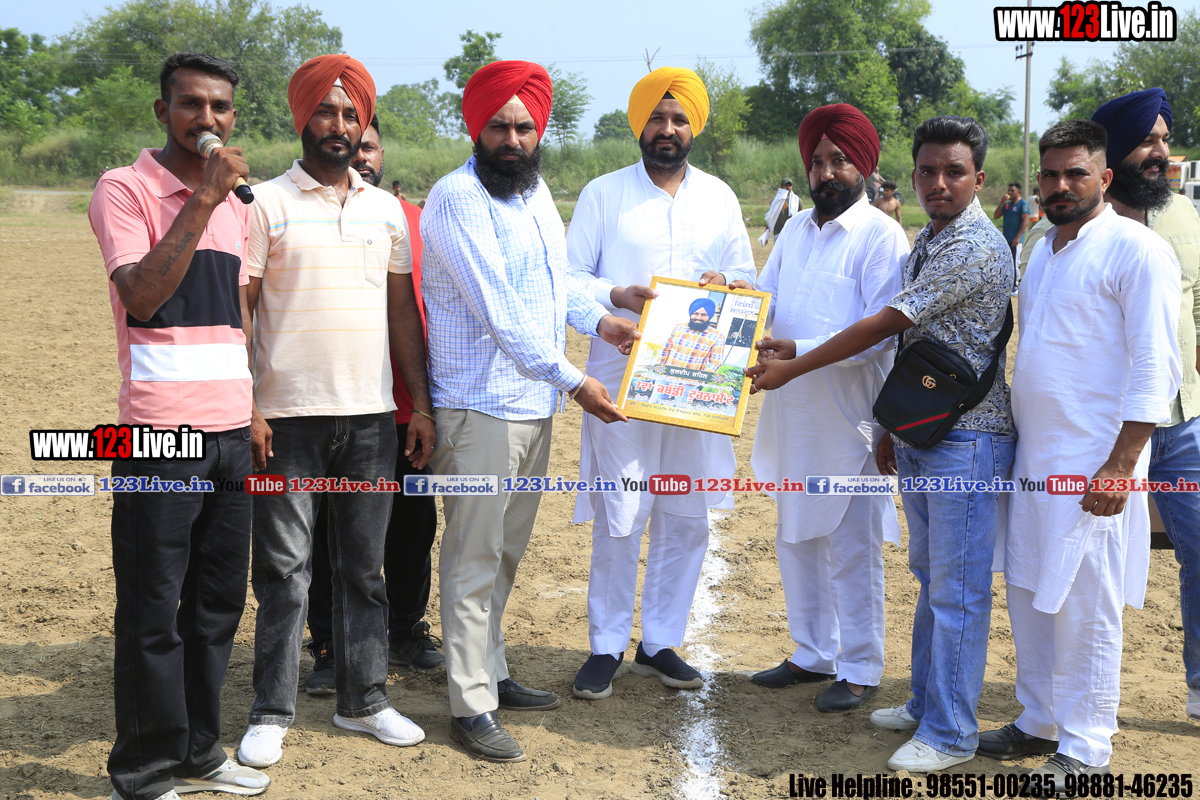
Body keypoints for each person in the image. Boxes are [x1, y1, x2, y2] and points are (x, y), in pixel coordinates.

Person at [746, 115, 1017, 772]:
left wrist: (796, 361)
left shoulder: (959, 244)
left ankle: (947, 731)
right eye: (928, 171)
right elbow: (906, 341)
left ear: (979, 179)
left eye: (954, 172)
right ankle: (922, 703)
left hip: (960, 435)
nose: (938, 183)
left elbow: (883, 326)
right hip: (920, 426)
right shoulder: (929, 238)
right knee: (932, 580)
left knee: (952, 589)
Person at [419, 59, 640, 764]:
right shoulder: (456, 198)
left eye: (524, 127)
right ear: (475, 129)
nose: (512, 139)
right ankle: (470, 703)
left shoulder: (535, 191)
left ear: (538, 131)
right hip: (478, 407)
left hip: (532, 401)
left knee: (505, 553)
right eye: (499, 126)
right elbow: (502, 312)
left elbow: (554, 284)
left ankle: (492, 670)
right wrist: (577, 382)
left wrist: (601, 319)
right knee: (472, 556)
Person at [237, 54, 432, 768]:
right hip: (285, 421)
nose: (340, 125)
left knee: (363, 570)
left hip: (372, 421)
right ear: (303, 116)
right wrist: (248, 405)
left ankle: (365, 700)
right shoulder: (262, 204)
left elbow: (402, 317)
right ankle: (270, 711)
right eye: (327, 110)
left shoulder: (385, 210)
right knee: (285, 572)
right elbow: (241, 309)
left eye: (352, 114)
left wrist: (419, 408)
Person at [88, 52, 270, 800]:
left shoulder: (239, 205)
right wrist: (201, 199)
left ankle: (200, 751)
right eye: (192, 104)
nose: (207, 118)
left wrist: (251, 407)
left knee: (217, 608)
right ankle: (143, 771)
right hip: (158, 435)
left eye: (220, 106)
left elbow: (234, 313)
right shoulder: (123, 188)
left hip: (230, 435)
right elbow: (142, 295)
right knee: (151, 612)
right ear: (163, 112)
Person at [985, 119, 1182, 779]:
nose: (1062, 185)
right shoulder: (1041, 249)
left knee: (1086, 603)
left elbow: (1157, 368)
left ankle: (1086, 746)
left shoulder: (1137, 250)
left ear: (1104, 177)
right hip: (1035, 456)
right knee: (1030, 587)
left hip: (1096, 463)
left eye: (1077, 173)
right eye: (1051, 174)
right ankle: (1038, 720)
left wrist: (1121, 465)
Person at [563, 66, 756, 701]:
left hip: (696, 383)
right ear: (639, 125)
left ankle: (661, 642)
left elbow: (746, 280)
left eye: (678, 119)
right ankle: (606, 645)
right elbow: (568, 279)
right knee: (622, 510)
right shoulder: (603, 195)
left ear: (693, 127)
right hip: (620, 381)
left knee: (685, 513)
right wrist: (616, 296)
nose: (667, 129)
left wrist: (727, 285)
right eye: (657, 118)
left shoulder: (720, 198)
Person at [734, 104, 908, 714]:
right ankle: (812, 652)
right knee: (796, 534)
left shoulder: (881, 236)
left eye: (840, 160)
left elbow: (879, 336)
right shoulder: (796, 231)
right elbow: (768, 301)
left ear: (865, 167)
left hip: (852, 421)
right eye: (817, 161)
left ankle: (858, 667)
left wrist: (799, 352)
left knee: (852, 546)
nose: (827, 172)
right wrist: (734, 295)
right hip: (792, 413)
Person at [303, 115, 443, 699]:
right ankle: (328, 643)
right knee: (328, 533)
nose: (362, 156)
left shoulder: (413, 219)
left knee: (412, 526)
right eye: (354, 145)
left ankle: (406, 628)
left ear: (383, 154)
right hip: (332, 405)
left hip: (404, 407)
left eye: (371, 146)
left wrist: (425, 406)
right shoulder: (304, 212)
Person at [1092, 88, 1200, 724]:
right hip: (1104, 429)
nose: (1161, 151)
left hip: (1183, 421)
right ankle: (1072, 696)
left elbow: (1198, 300)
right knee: (1089, 556)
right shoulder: (1076, 225)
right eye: (1147, 141)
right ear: (1111, 154)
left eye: (1164, 138)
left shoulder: (1184, 213)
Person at [657, 298, 726, 371]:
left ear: (709, 316)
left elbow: (715, 363)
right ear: (691, 314)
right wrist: (660, 370)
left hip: (693, 377)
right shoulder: (678, 327)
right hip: (668, 374)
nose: (698, 317)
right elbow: (665, 350)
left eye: (703, 315)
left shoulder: (717, 336)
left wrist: (701, 377)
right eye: (695, 314)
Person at [993, 182, 1031, 260]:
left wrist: (1018, 237)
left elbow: (1025, 220)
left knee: (1016, 262)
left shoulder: (1023, 204)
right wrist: (1002, 202)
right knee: (1006, 261)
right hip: (1006, 239)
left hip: (1016, 240)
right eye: (1008, 190)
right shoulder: (1007, 204)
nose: (1009, 192)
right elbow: (996, 216)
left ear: (1019, 192)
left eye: (1012, 190)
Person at [759, 177, 801, 246]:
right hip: (778, 232)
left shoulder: (797, 201)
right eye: (786, 185)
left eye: (789, 185)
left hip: (791, 233)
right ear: (781, 186)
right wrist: (766, 234)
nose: (788, 187)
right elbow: (771, 217)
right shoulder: (776, 201)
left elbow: (801, 218)